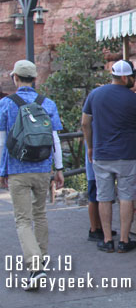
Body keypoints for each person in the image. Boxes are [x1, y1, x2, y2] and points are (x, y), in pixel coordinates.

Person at [0, 59, 64, 290]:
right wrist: (58, 169)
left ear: (15, 78)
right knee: (40, 215)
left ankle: (36, 268)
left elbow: (2, 141)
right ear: (35, 79)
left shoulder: (6, 104)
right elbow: (55, 139)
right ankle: (41, 257)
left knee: (23, 220)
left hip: (18, 169)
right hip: (42, 168)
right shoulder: (47, 103)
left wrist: (2, 170)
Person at [81, 60, 136, 253]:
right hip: (126, 155)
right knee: (126, 197)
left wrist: (90, 147)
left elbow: (85, 123)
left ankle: (107, 240)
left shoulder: (95, 95)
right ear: (124, 77)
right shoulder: (135, 99)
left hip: (101, 154)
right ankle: (124, 240)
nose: (135, 80)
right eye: (133, 76)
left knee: (104, 197)